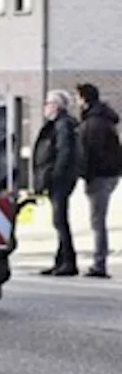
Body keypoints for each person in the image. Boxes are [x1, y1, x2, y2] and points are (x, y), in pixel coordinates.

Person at [33, 89, 81, 276]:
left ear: (57, 106)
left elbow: (64, 151)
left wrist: (55, 175)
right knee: (59, 220)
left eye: (48, 103)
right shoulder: (59, 124)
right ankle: (61, 261)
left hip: (60, 179)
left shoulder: (62, 125)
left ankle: (68, 261)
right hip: (58, 177)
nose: (45, 107)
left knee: (60, 220)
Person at [75, 82, 120, 278]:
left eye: (78, 98)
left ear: (84, 100)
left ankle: (99, 263)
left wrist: (84, 174)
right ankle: (98, 260)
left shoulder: (92, 124)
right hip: (109, 174)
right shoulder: (105, 120)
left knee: (97, 221)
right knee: (98, 220)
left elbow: (88, 154)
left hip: (99, 176)